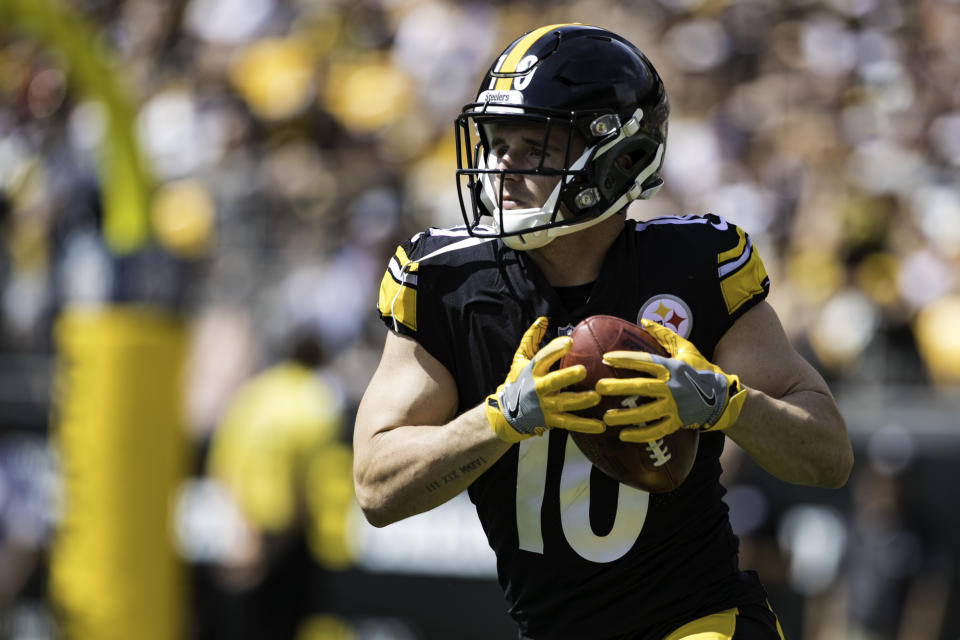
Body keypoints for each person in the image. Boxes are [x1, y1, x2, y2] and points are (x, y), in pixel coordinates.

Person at [353, 23, 853, 640]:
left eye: (532, 144)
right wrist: (501, 418)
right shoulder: (449, 284)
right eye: (495, 141)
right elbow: (376, 488)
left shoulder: (695, 266)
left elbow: (829, 455)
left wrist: (725, 403)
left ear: (621, 158)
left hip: (699, 621)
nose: (501, 166)